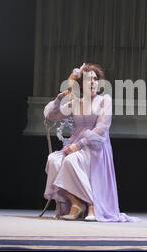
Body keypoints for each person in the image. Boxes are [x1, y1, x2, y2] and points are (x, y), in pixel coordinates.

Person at [43, 63, 138, 222]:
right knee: (53, 160)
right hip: (75, 144)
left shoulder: (104, 100)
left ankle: (92, 204)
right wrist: (61, 96)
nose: (93, 82)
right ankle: (75, 203)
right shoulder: (76, 103)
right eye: (88, 79)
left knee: (71, 161)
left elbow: (102, 127)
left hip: (95, 145)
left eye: (95, 79)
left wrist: (78, 145)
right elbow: (51, 116)